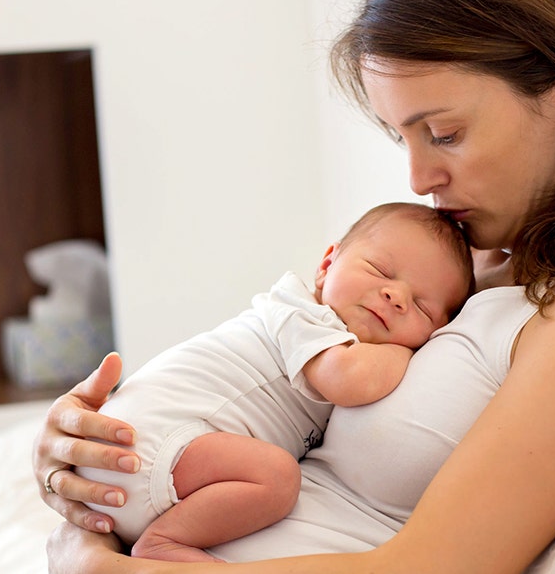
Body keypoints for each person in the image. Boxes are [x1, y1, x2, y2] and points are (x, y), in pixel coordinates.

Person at [37, 0, 555, 572]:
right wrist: (84, 458)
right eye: (403, 137)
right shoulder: (447, 263)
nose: (420, 178)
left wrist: (102, 568)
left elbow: (429, 567)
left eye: (446, 133)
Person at [71, 202, 474, 562]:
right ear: (326, 265)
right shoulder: (301, 312)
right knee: (279, 478)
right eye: (380, 270)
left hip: (143, 470)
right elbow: (348, 381)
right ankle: (164, 542)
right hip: (146, 446)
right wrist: (405, 349)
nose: (395, 295)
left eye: (423, 306)